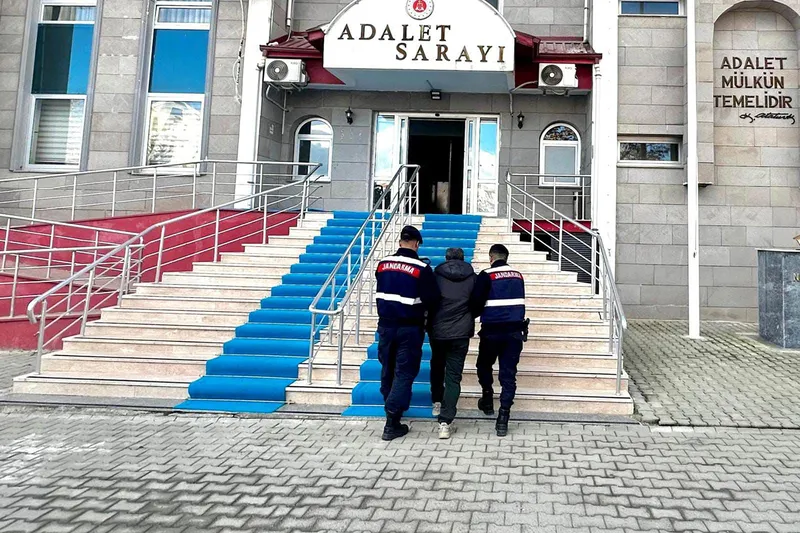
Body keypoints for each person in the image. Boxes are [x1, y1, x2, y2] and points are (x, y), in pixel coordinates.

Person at [375, 225, 439, 441]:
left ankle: (392, 409)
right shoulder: (421, 268)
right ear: (417, 244)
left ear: (400, 241)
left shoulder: (383, 264)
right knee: (404, 371)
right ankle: (392, 420)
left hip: (385, 326)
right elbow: (432, 299)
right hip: (409, 328)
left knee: (388, 369)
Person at [470, 244, 527, 437]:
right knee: (508, 375)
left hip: (492, 332)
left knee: (483, 365)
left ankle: (487, 398)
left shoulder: (486, 275)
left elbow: (476, 304)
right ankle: (503, 417)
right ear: (506, 257)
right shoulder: (518, 276)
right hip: (514, 333)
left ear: (491, 258)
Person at [428, 247, 477, 440]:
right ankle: (445, 422)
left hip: (438, 331)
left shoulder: (435, 276)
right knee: (454, 377)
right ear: (463, 259)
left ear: (446, 259)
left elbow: (429, 302)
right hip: (461, 333)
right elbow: (477, 303)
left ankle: (437, 402)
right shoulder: (473, 278)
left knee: (437, 365)